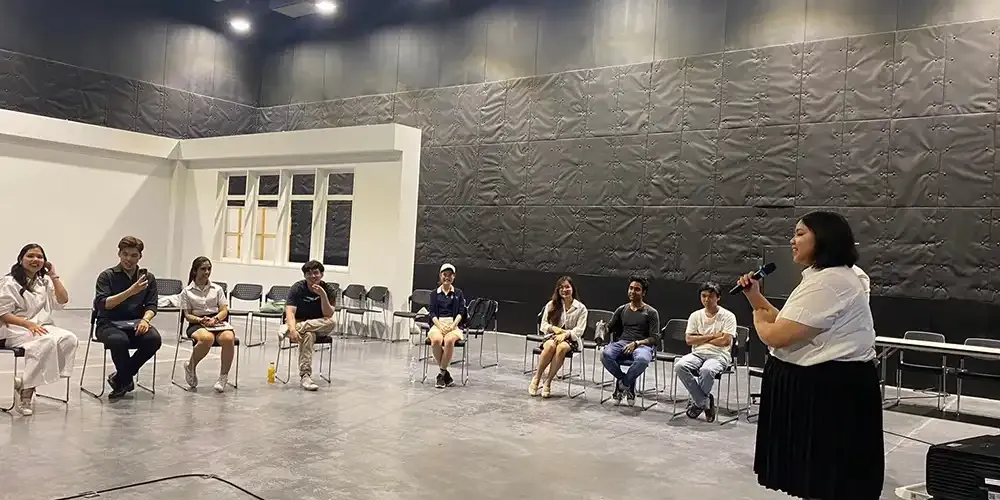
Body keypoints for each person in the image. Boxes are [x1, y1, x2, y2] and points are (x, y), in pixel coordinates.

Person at [737, 211, 882, 500]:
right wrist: (755, 298)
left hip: (826, 394)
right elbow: (788, 323)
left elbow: (776, 335)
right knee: (817, 480)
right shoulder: (824, 277)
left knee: (824, 479)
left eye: (800, 233)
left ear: (825, 238)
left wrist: (758, 318)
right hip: (822, 388)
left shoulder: (830, 282)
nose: (793, 240)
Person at [0, 244, 79, 416]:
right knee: (46, 342)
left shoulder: (44, 281)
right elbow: (3, 313)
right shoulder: (9, 282)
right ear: (21, 259)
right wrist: (27, 324)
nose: (35, 260)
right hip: (13, 328)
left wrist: (54, 275)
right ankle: (26, 393)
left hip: (39, 326)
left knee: (69, 339)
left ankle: (25, 382)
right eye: (30, 256)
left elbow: (62, 300)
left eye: (39, 257)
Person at [94, 236, 163, 400]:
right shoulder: (106, 276)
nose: (128, 259)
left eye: (133, 255)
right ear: (119, 254)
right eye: (125, 254)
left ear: (140, 256)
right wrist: (131, 291)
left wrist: (145, 320)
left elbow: (152, 305)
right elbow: (103, 304)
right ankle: (125, 380)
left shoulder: (148, 278)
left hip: (135, 323)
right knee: (119, 340)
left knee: (154, 339)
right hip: (108, 323)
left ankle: (121, 378)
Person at [675, 282, 737, 422]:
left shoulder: (728, 316)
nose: (706, 299)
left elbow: (725, 341)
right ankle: (704, 401)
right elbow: (689, 340)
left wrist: (701, 338)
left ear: (718, 297)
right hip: (697, 353)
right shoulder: (695, 315)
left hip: (719, 354)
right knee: (680, 366)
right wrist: (713, 336)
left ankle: (699, 404)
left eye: (710, 296)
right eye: (703, 296)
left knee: (706, 370)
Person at [601, 275, 660, 406]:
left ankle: (622, 385)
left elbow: (655, 338)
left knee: (642, 360)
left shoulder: (651, 312)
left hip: (642, 345)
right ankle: (627, 383)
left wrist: (637, 343)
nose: (633, 291)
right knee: (605, 355)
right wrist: (602, 328)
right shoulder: (622, 309)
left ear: (643, 293)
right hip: (623, 342)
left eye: (637, 289)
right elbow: (609, 327)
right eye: (631, 288)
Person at [279, 260, 337, 391]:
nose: (313, 276)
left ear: (321, 274)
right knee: (308, 335)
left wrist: (323, 295)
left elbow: (328, 314)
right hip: (299, 322)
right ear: (304, 275)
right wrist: (293, 329)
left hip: (319, 324)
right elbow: (290, 312)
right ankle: (305, 376)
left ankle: (287, 328)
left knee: (332, 322)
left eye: (316, 273)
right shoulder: (297, 288)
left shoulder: (329, 290)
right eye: (309, 274)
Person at [180, 257, 236, 393]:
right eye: (203, 269)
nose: (207, 272)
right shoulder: (187, 292)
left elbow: (224, 310)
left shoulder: (217, 289)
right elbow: (187, 315)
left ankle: (223, 377)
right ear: (195, 271)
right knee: (207, 338)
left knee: (229, 338)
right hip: (197, 323)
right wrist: (201, 320)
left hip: (216, 321)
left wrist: (215, 319)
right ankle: (190, 366)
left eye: (209, 269)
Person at [530, 276, 588, 398]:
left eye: (567, 287)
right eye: (561, 287)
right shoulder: (552, 304)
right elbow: (543, 325)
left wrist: (566, 334)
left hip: (571, 339)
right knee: (551, 345)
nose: (564, 290)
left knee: (561, 348)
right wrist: (553, 328)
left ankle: (548, 382)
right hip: (553, 335)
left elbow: (580, 330)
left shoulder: (581, 308)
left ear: (572, 288)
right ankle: (537, 377)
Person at [428, 263, 467, 389]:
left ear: (454, 277)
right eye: (445, 275)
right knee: (436, 340)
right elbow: (432, 313)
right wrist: (440, 326)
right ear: (440, 276)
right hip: (438, 324)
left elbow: (461, 312)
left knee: (449, 340)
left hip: (453, 325)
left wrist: (453, 325)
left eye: (450, 275)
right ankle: (446, 375)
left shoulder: (458, 293)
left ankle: (441, 374)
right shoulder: (434, 294)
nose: (447, 278)